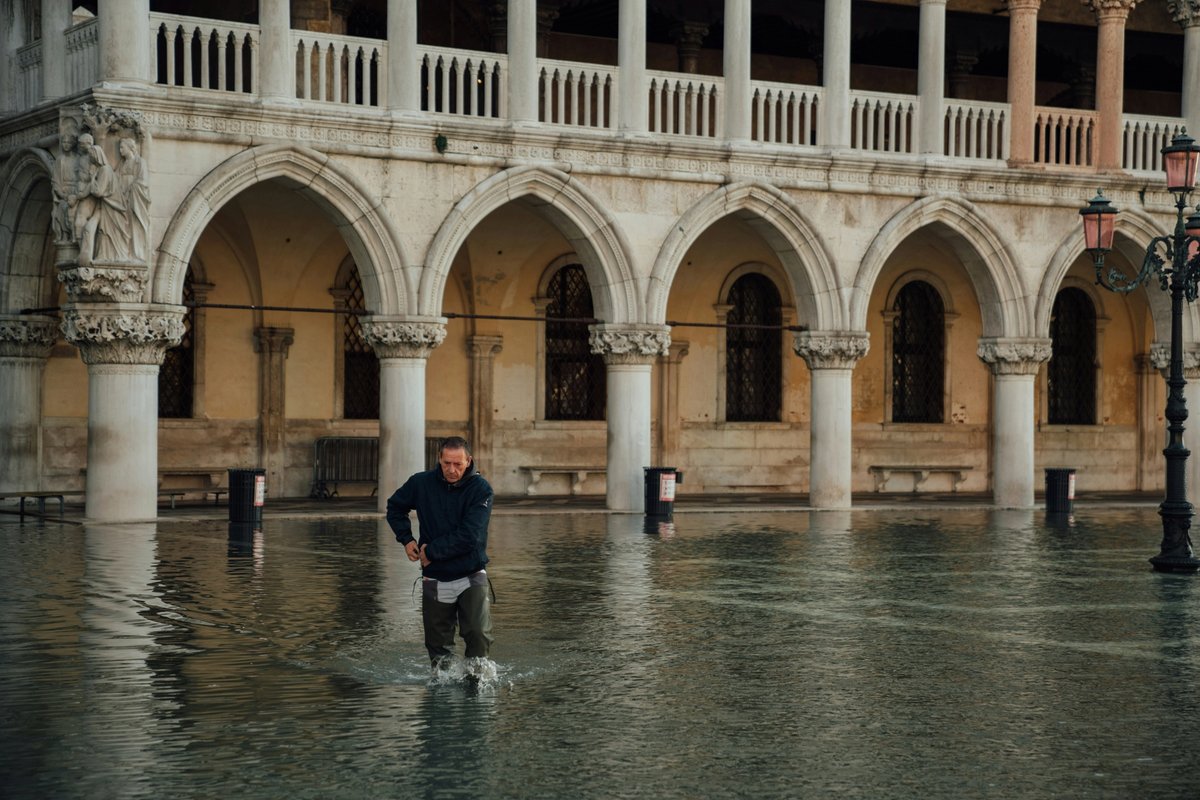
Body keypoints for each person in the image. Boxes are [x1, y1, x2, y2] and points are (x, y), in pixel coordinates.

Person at [386, 436, 494, 671]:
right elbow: (394, 507)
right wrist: (406, 539)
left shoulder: (481, 489)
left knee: (477, 633)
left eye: (458, 464)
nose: (452, 470)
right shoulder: (421, 483)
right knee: (437, 646)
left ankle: (476, 680)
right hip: (435, 575)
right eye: (446, 463)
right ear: (439, 460)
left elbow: (470, 536)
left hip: (471, 573)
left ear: (469, 461)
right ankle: (443, 689)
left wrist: (432, 551)